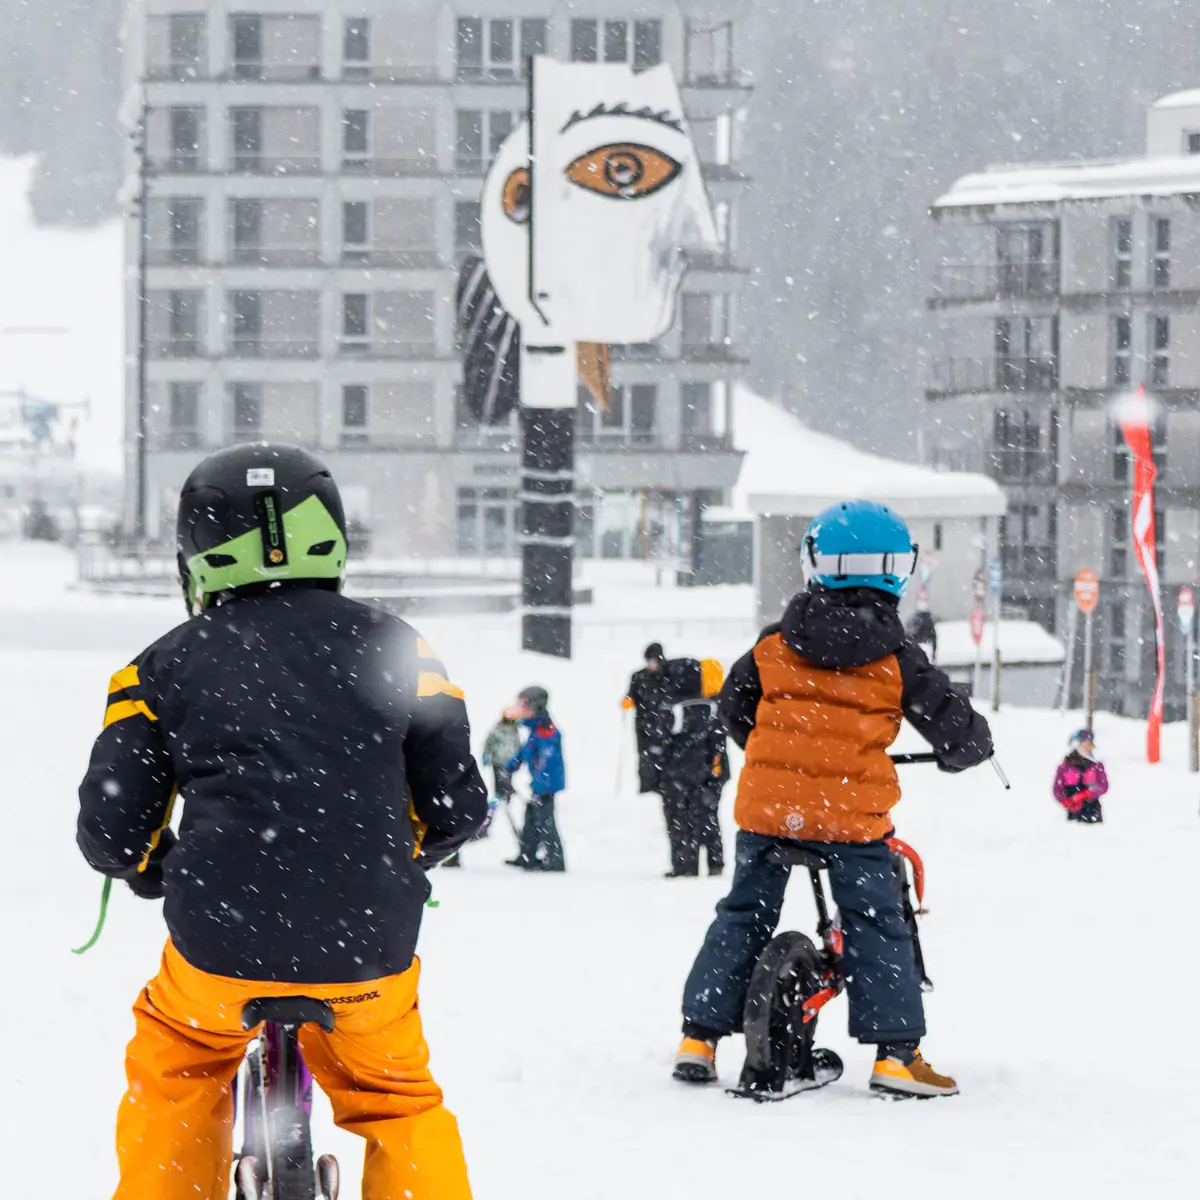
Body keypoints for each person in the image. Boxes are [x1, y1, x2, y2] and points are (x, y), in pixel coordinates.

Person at [77, 444, 489, 1200]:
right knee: (396, 1101)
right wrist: (396, 854)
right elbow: (459, 809)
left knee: (180, 1068)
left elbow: (112, 831)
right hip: (367, 942)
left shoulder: (159, 666)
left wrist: (150, 867)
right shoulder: (403, 650)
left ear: (196, 555)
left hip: (218, 938)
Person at [673, 500, 993, 1099]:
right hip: (850, 816)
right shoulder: (899, 658)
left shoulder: (771, 646)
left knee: (742, 913)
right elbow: (961, 734)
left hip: (767, 810)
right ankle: (896, 1055)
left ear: (814, 564)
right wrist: (962, 753)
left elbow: (734, 710)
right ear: (899, 570)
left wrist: (776, 753)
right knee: (876, 923)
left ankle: (700, 1037)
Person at [660, 658, 729, 878]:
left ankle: (685, 865)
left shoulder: (675, 708)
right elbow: (719, 740)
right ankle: (714, 864)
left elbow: (663, 742)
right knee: (708, 817)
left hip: (682, 773)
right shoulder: (712, 706)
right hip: (710, 772)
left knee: (681, 820)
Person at [506, 686, 567, 871]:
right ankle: (527, 856)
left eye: (523, 705)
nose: (520, 709)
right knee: (531, 821)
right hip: (540, 785)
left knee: (545, 824)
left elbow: (547, 763)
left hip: (546, 786)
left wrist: (541, 788)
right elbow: (527, 750)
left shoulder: (546, 731)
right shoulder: (537, 729)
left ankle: (555, 862)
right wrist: (510, 766)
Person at [623, 643, 673, 794]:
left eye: (653, 661)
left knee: (666, 754)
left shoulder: (669, 675)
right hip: (643, 723)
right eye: (648, 661)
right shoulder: (638, 677)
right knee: (645, 756)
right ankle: (647, 787)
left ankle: (664, 786)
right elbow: (631, 695)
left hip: (666, 722)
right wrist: (628, 701)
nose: (650, 665)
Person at [1053, 729, 1108, 823]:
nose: (1088, 747)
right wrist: (1065, 801)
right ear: (1076, 745)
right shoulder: (1065, 767)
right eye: (1084, 744)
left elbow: (1103, 786)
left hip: (1092, 811)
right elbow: (1057, 789)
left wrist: (1087, 794)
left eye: (1089, 744)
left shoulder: (1096, 765)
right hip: (1072, 812)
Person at [482, 708, 523, 811]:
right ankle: (498, 798)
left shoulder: (515, 730)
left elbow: (518, 745)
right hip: (498, 760)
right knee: (498, 779)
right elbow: (489, 743)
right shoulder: (497, 729)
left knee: (507, 779)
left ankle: (507, 797)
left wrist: (519, 758)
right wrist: (486, 754)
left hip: (510, 761)